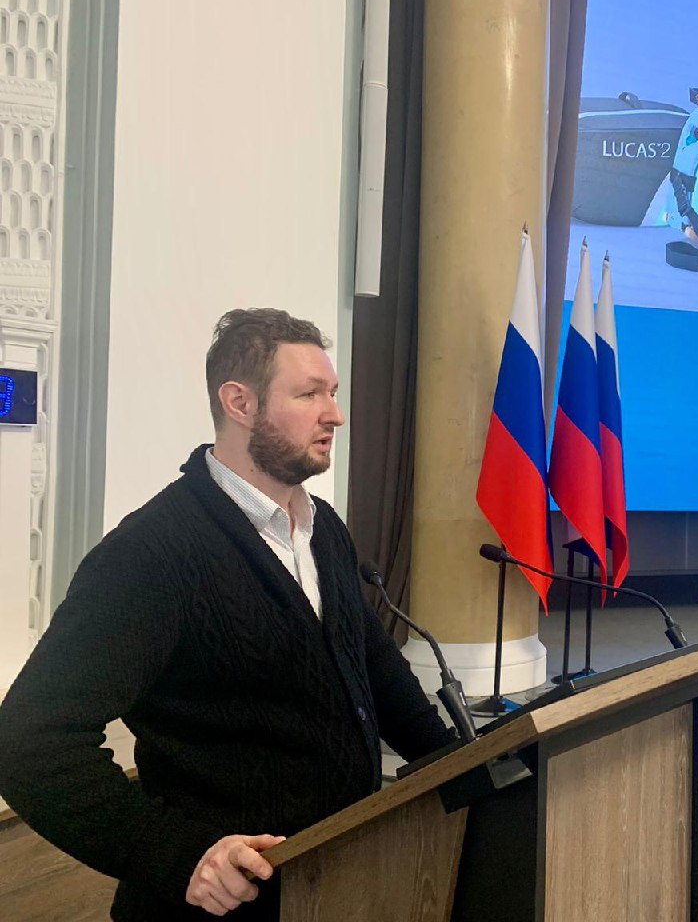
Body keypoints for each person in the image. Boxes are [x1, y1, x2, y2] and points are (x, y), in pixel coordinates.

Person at [0, 309, 454, 921]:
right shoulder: (152, 554)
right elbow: (28, 741)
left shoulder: (321, 528)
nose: (335, 414)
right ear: (240, 403)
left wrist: (453, 765)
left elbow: (370, 661)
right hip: (221, 906)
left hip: (333, 878)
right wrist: (177, 854)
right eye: (310, 394)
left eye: (333, 392)